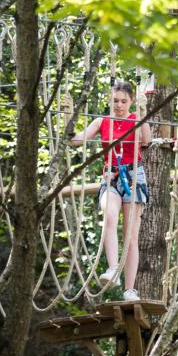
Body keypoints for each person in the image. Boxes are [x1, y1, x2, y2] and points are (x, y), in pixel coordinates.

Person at [70, 81, 151, 301]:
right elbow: (76, 140)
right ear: (110, 100)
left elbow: (146, 140)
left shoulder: (135, 119)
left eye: (124, 101)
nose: (119, 105)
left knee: (131, 237)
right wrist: (69, 118)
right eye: (115, 100)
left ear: (131, 101)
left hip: (134, 177)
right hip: (111, 176)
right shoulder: (102, 121)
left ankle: (129, 289)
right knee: (109, 216)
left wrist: (143, 113)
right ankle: (113, 269)